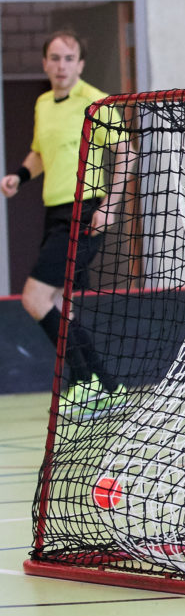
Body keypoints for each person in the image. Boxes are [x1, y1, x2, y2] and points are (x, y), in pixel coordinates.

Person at [1, 29, 133, 419]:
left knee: (35, 298)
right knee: (61, 306)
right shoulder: (43, 103)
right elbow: (40, 152)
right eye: (54, 58)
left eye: (68, 58)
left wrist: (110, 206)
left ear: (81, 63)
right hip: (54, 212)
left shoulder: (96, 103)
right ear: (45, 63)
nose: (61, 66)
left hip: (86, 209)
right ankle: (109, 387)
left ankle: (84, 381)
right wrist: (19, 178)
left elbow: (127, 155)